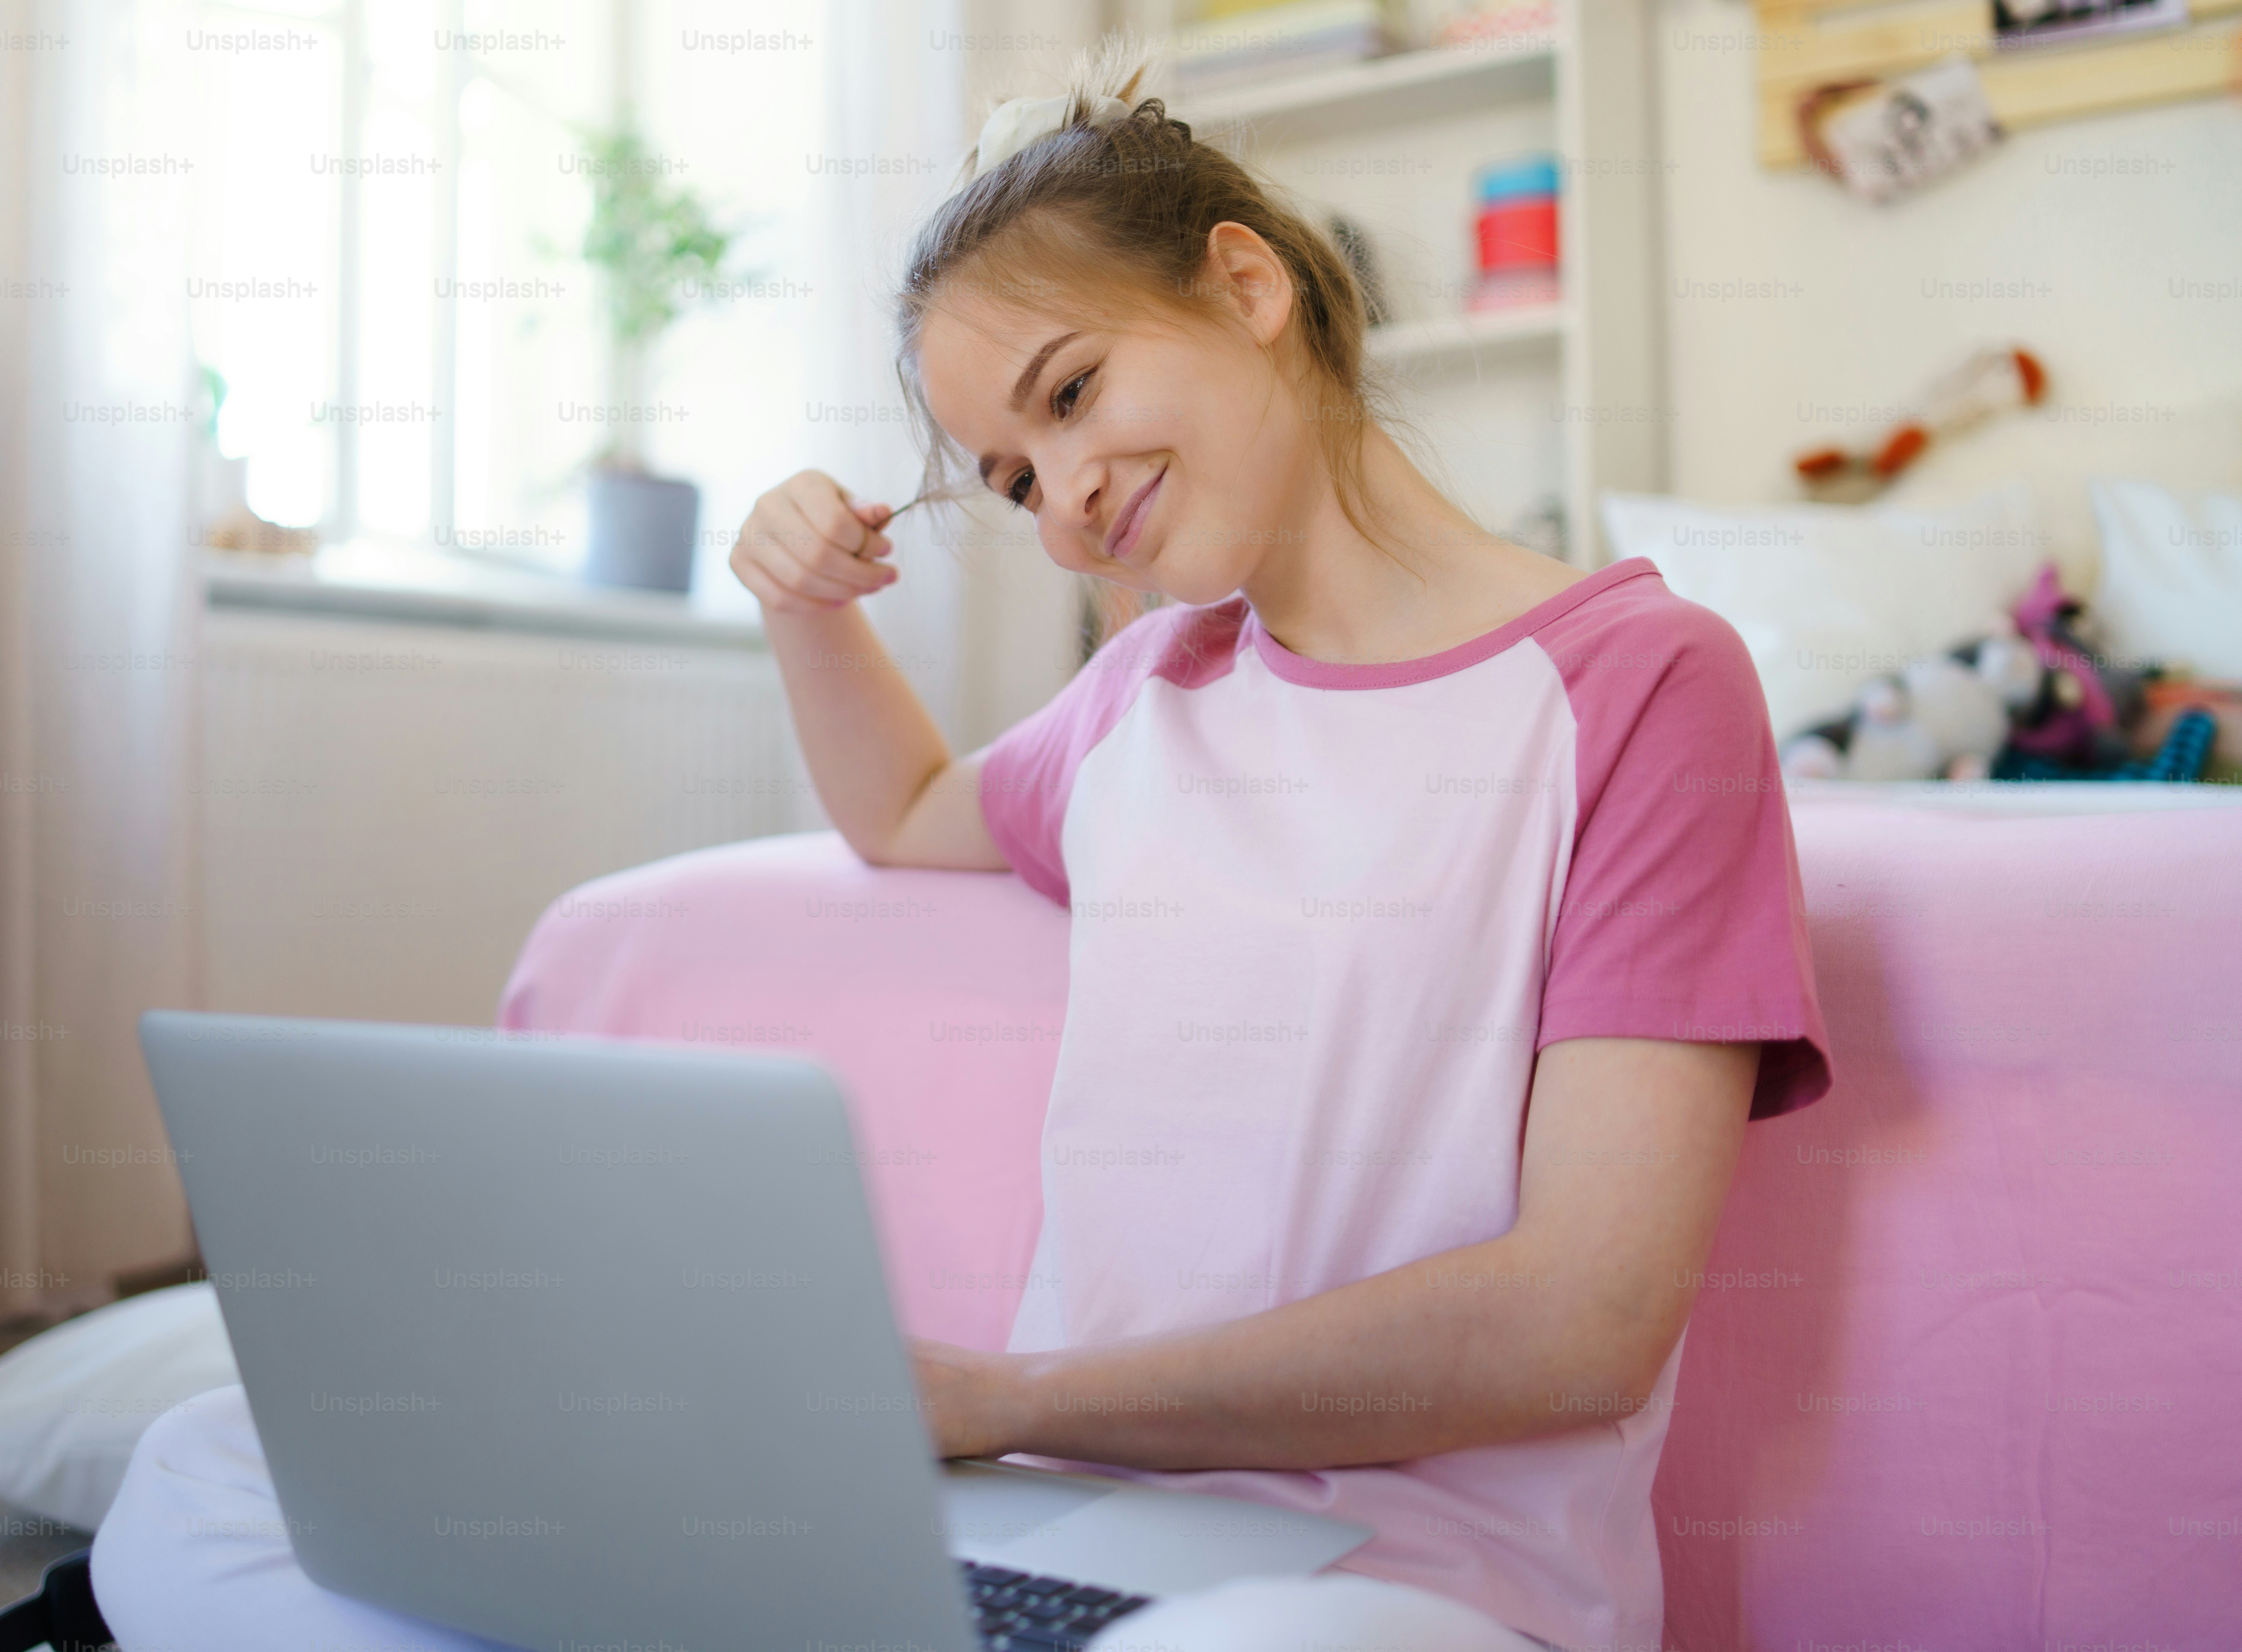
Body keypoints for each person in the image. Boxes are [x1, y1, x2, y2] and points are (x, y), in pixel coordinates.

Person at [95, 39, 1828, 1652]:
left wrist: (1003, 1398)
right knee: (206, 1469)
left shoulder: (1644, 683)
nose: (1064, 497)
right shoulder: (1152, 695)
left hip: (1401, 1576)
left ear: (1248, 284)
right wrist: (800, 608)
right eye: (1010, 478)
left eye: (1072, 395)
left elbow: (1585, 1317)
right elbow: (909, 812)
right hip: (1053, 1528)